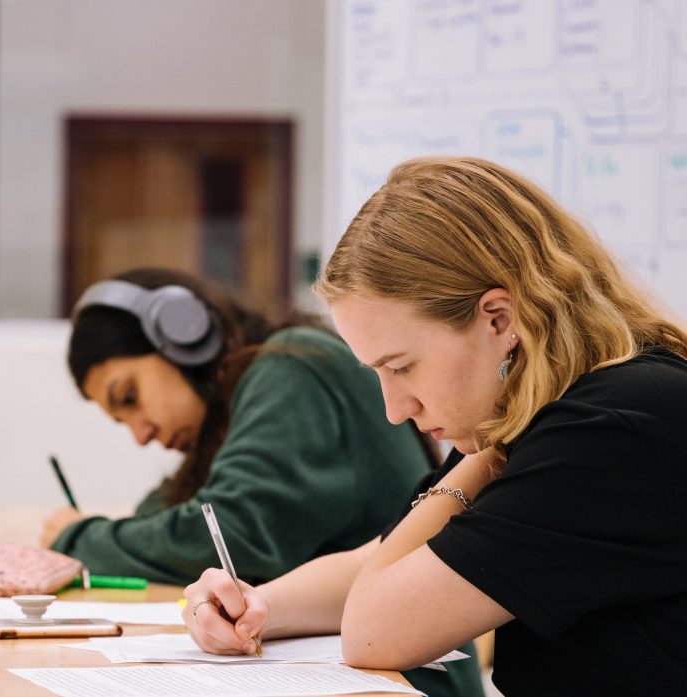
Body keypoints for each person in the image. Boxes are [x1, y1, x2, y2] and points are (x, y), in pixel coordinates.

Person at [182, 156, 687, 696]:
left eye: (402, 367)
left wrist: (481, 458)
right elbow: (389, 563)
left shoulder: (610, 428)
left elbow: (376, 631)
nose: (396, 410)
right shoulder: (542, 407)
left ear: (500, 318)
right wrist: (258, 606)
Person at [42, 267, 484, 697]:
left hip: (403, 684)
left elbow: (229, 536)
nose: (142, 434)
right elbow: (159, 520)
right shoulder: (239, 405)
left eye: (131, 398)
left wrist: (73, 538)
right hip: (345, 670)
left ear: (183, 334)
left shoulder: (294, 370)